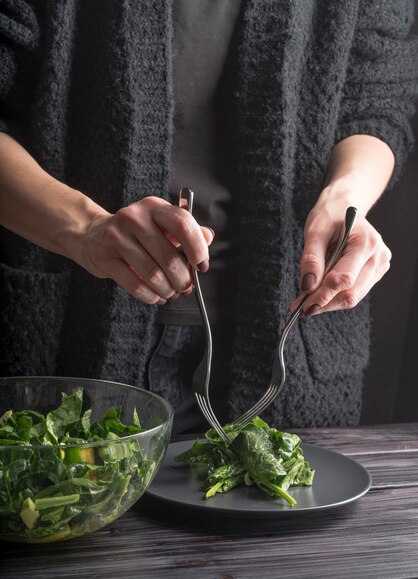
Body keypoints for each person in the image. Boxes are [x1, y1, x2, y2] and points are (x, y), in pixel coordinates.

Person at [0, 1, 417, 432]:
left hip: (294, 350)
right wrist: (86, 229)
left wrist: (346, 195)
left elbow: (378, 101)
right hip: (65, 339)